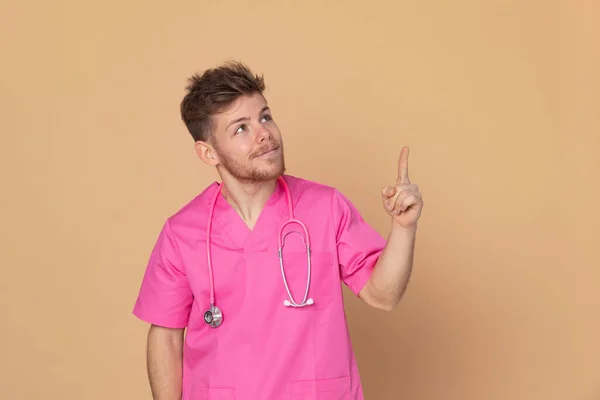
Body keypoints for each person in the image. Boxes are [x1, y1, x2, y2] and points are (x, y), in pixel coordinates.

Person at [132, 61, 423, 400]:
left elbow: (383, 295)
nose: (264, 133)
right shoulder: (182, 232)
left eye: (265, 116)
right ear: (208, 152)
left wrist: (403, 227)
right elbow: (165, 335)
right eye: (241, 128)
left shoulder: (325, 207)